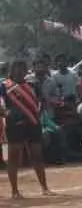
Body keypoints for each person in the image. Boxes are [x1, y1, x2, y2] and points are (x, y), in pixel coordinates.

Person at [0, 60, 52, 198]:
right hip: (14, 125)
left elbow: (41, 101)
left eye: (22, 69)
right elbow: (1, 105)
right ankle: (14, 191)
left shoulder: (32, 84)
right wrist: (6, 113)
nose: (19, 71)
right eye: (16, 68)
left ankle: (45, 187)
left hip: (32, 123)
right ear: (11, 70)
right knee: (13, 158)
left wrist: (38, 114)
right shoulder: (4, 86)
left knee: (37, 156)